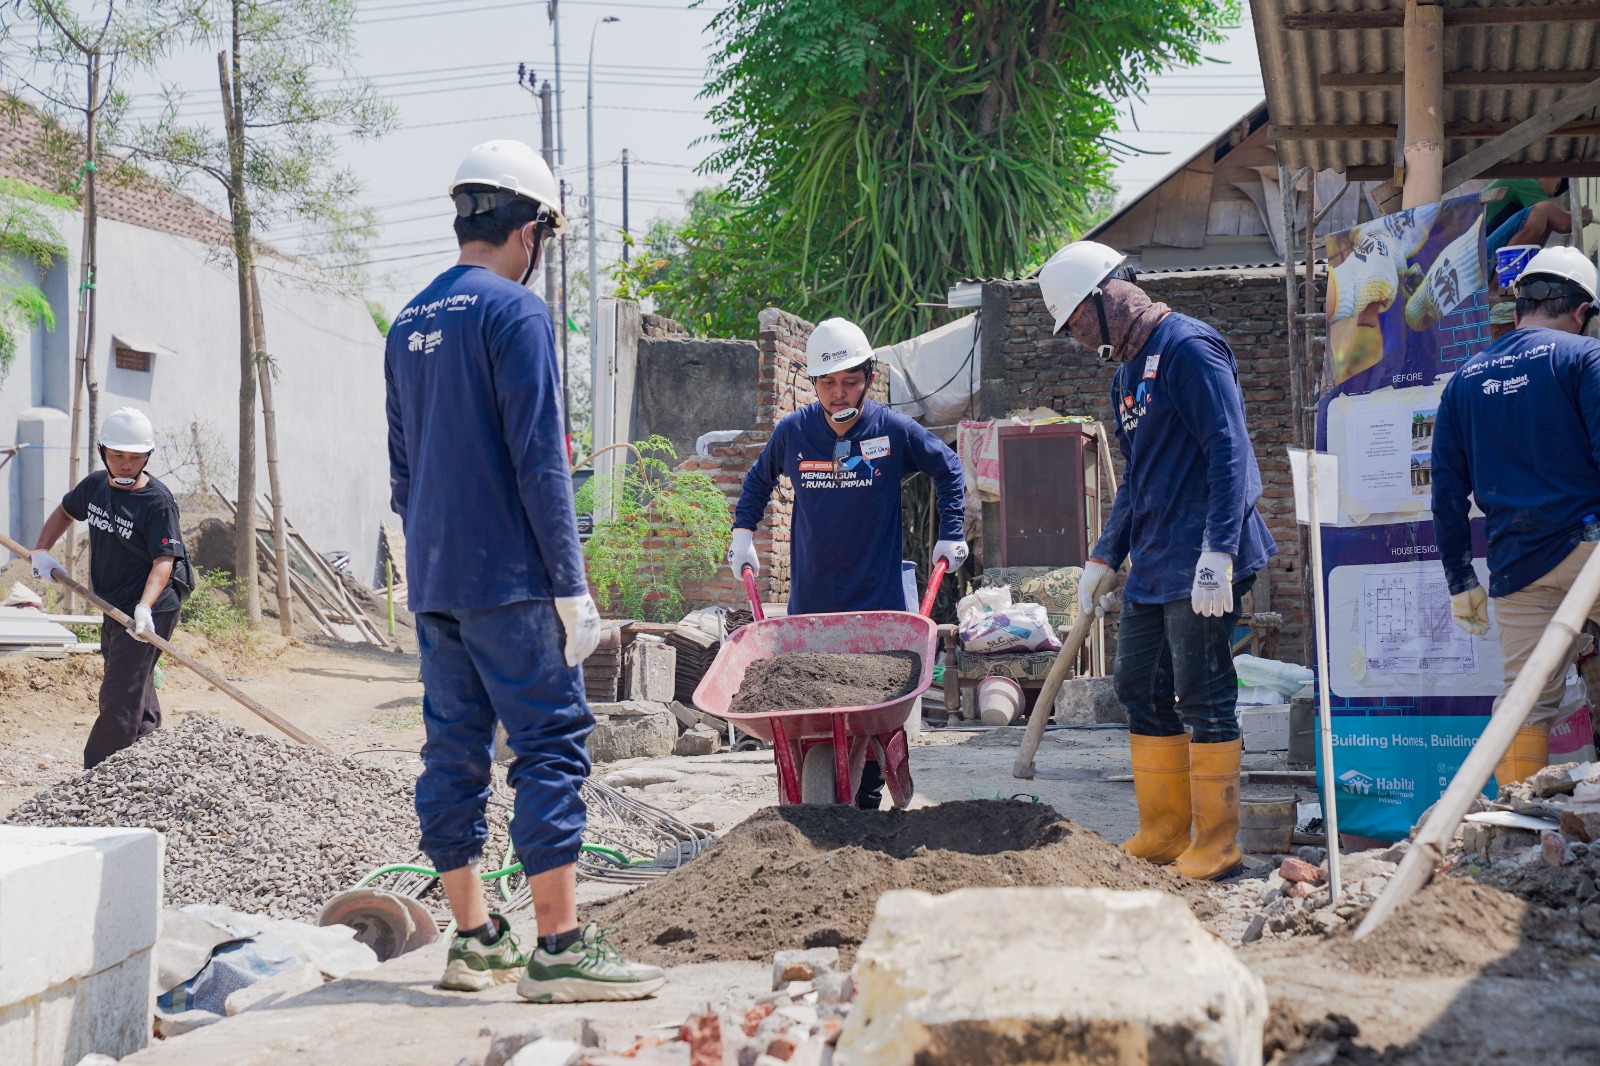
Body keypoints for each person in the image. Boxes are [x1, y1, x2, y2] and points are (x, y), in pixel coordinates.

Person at [385, 139, 665, 1002]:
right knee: (549, 745)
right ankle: (560, 947)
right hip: (508, 580)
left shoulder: (406, 323)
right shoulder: (516, 314)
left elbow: (402, 473)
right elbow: (542, 462)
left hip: (433, 582)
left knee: (452, 756)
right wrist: (570, 586)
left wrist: (433, 564)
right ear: (533, 231)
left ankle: (475, 940)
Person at [1039, 241, 1277, 881]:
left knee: (1202, 692)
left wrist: (1220, 550)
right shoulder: (1124, 375)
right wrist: (1102, 557)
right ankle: (1166, 830)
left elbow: (1230, 451)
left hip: (1204, 553)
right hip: (1155, 557)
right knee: (1137, 686)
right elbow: (1139, 479)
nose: (1080, 338)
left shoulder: (1190, 349)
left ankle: (1219, 843)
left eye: (1079, 321)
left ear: (1111, 295)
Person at [728, 316, 967, 808]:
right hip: (811, 603)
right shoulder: (795, 432)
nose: (839, 394)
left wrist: (952, 533)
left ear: (869, 379)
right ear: (814, 383)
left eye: (850, 382)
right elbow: (757, 481)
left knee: (874, 715)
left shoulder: (893, 431)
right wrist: (742, 534)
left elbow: (949, 469)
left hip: (877, 606)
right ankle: (813, 802)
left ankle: (868, 800)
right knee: (815, 713)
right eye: (828, 383)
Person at [1432, 245, 1600, 787]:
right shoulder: (1583, 358)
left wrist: (1460, 578)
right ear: (1582, 311)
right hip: (1588, 550)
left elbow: (1447, 493)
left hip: (1516, 566)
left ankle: (1507, 825)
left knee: (1525, 700)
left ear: (1520, 305)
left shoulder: (1464, 380)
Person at [30, 407, 190, 768]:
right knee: (133, 677)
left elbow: (164, 561)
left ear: (147, 456)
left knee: (119, 691)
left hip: (152, 606)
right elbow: (65, 512)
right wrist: (42, 550)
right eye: (118, 455)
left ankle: (100, 772)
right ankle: (146, 750)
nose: (126, 464)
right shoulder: (95, 486)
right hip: (113, 602)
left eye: (135, 457)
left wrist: (145, 608)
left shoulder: (157, 503)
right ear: (103, 451)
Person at [1483, 177, 1591, 259]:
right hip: (1476, 259)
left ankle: (1518, 272)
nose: (1552, 194)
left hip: (1478, 257)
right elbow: (1562, 222)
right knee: (1538, 217)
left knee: (1547, 219)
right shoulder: (1523, 179)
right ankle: (1498, 284)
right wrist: (1583, 217)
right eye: (1556, 186)